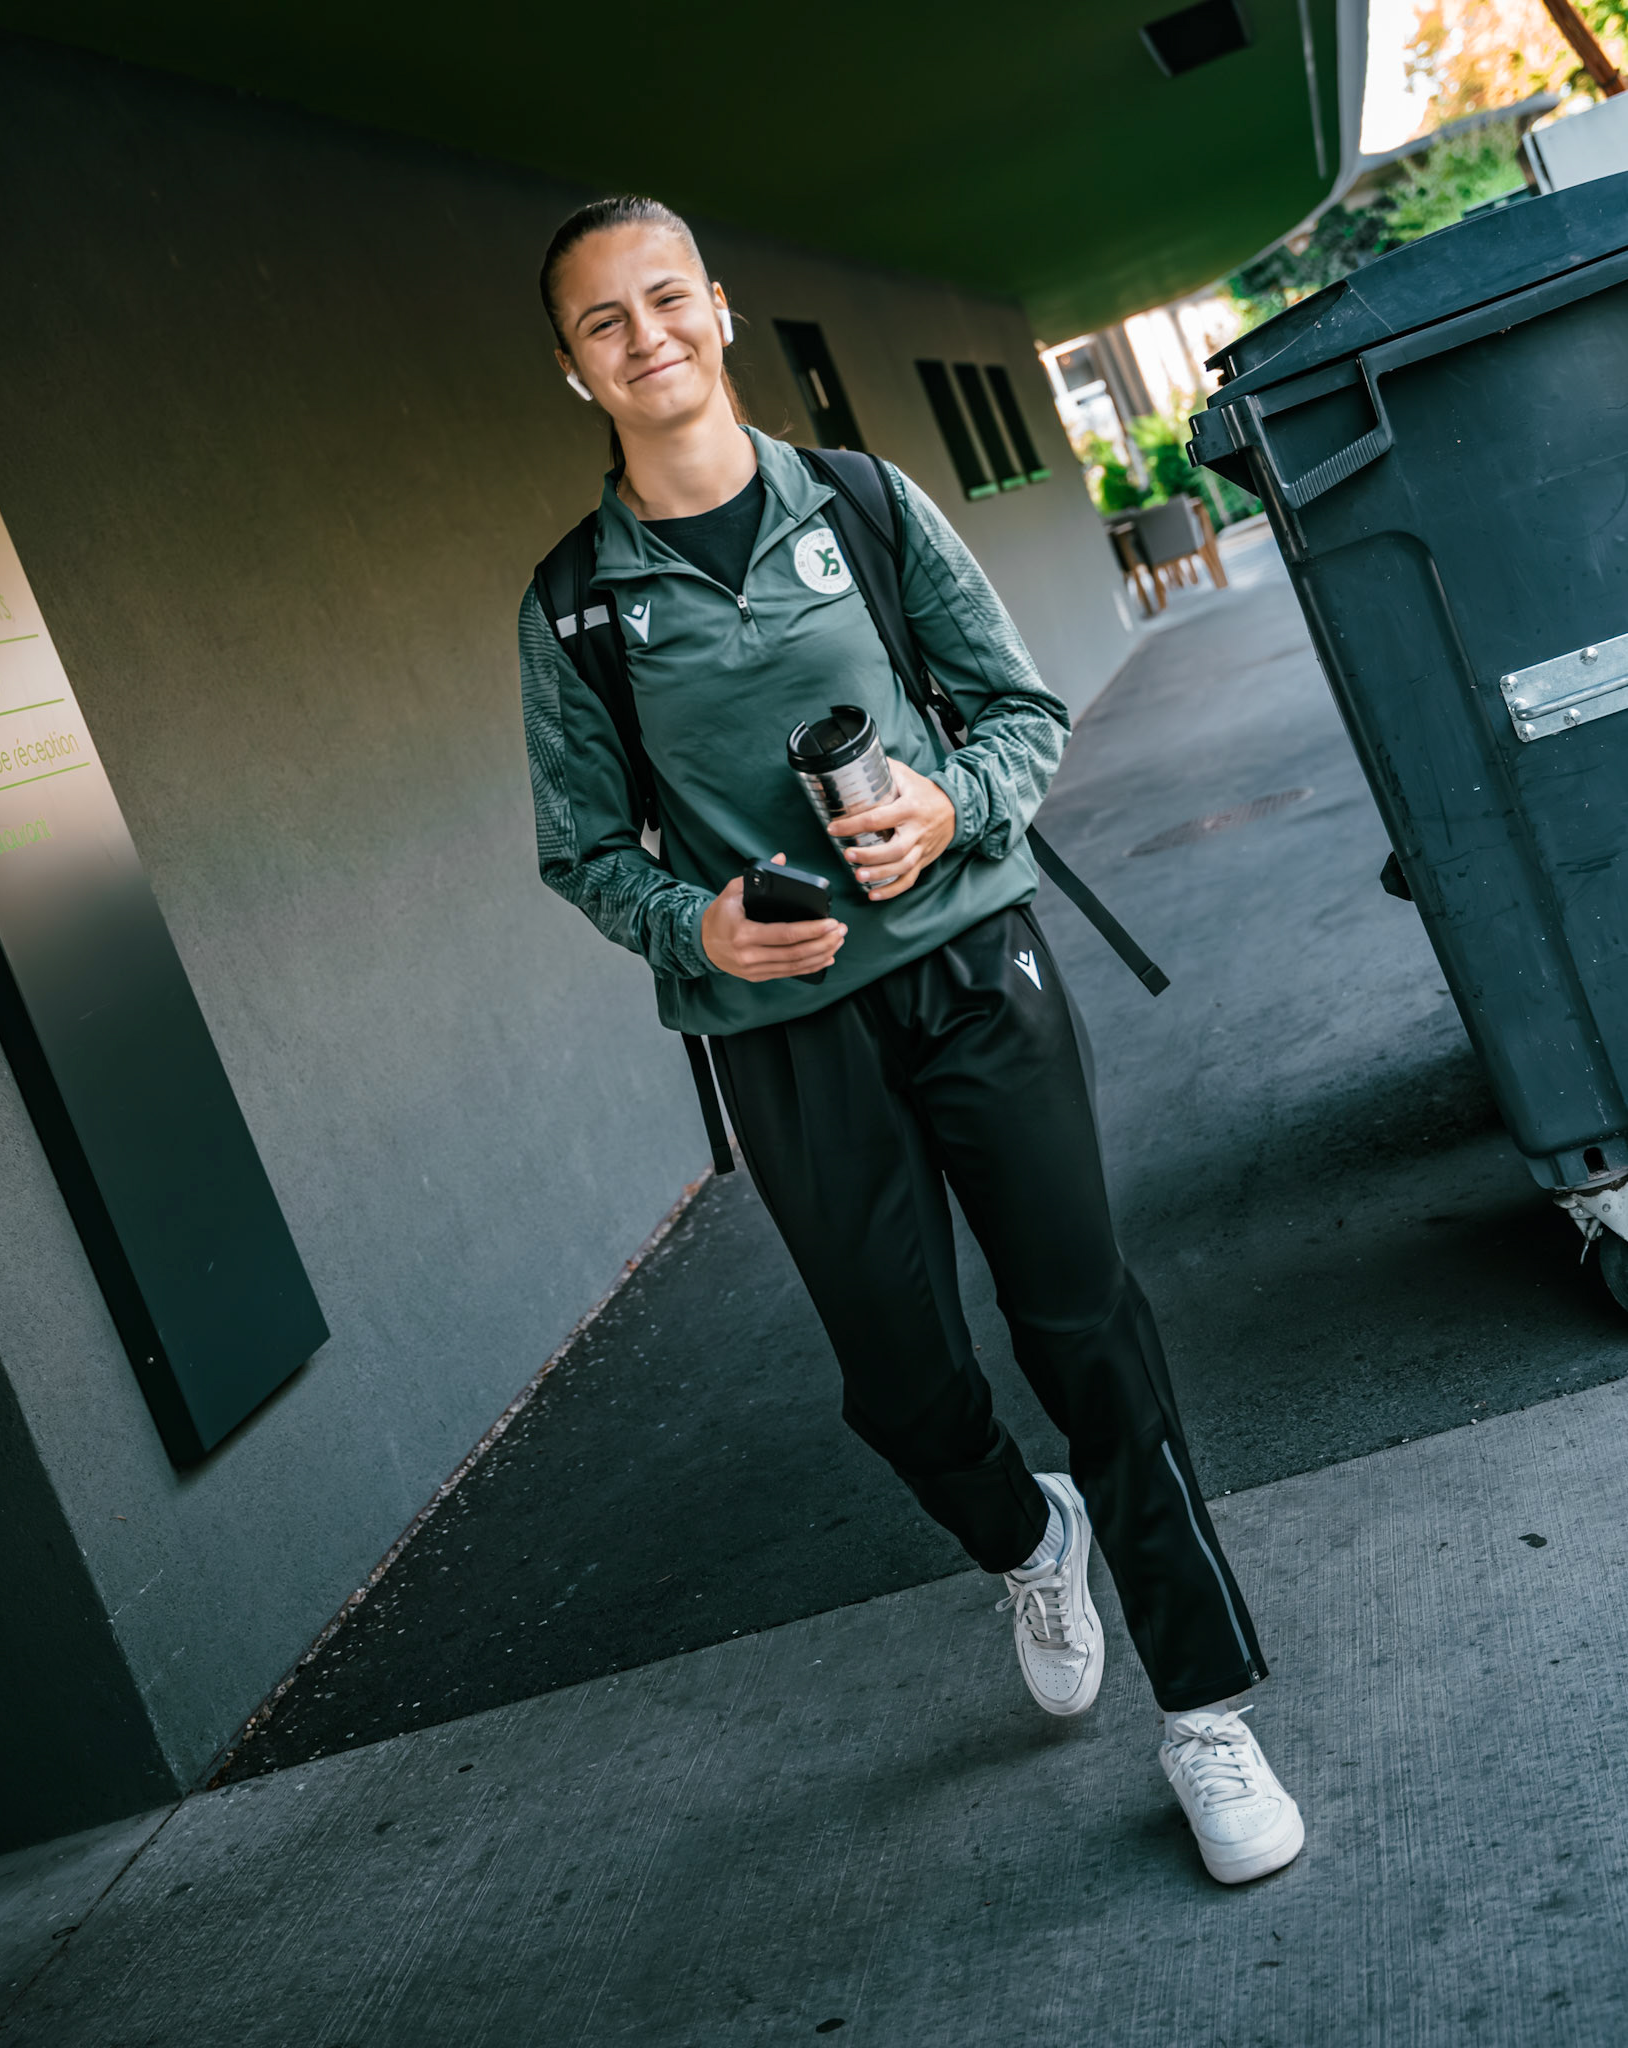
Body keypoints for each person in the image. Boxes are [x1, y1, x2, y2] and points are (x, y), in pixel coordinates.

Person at [519, 194, 1304, 1887]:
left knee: (1085, 1333)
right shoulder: (576, 602)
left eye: (667, 298)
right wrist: (695, 928)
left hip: (969, 971)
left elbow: (1018, 712)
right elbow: (580, 851)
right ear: (575, 369)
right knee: (895, 1378)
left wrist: (945, 807)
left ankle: (1204, 1709)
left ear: (719, 311)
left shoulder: (863, 504)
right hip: (781, 1030)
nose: (646, 336)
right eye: (603, 320)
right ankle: (1026, 1535)